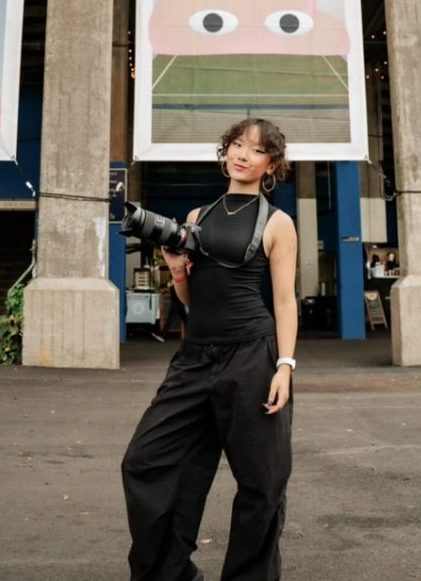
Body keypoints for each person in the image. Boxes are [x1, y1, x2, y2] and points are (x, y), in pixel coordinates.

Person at [122, 117, 298, 581]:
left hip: (252, 357)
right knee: (147, 461)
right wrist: (177, 270)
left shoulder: (278, 223)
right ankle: (169, 573)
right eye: (236, 145)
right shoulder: (199, 217)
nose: (242, 154)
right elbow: (190, 299)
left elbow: (283, 300)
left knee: (262, 482)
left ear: (270, 164)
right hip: (195, 358)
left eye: (255, 150)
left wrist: (284, 366)